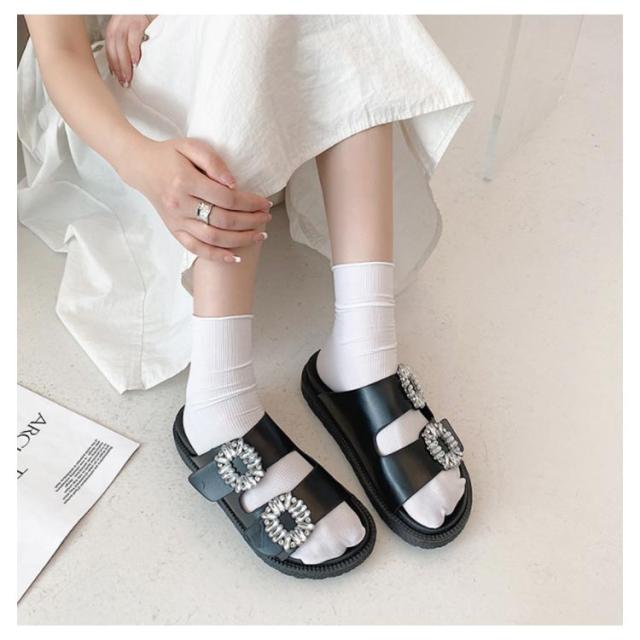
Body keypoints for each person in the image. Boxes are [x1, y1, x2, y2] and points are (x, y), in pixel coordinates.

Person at [20, 15, 473, 578]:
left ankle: (364, 348)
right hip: (111, 122)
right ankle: (221, 398)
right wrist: (142, 164)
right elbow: (59, 54)